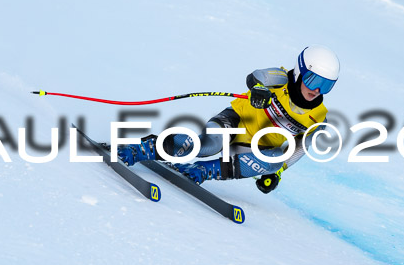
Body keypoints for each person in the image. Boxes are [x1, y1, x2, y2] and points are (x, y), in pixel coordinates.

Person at [116, 46, 340, 193]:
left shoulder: (318, 119)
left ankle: (203, 170)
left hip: (251, 148)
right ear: (300, 72)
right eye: (312, 80)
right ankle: (146, 148)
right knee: (208, 145)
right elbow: (255, 76)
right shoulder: (281, 77)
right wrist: (260, 89)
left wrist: (277, 172)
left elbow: (300, 149)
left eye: (327, 85)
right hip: (234, 121)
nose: (317, 90)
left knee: (274, 160)